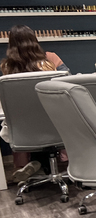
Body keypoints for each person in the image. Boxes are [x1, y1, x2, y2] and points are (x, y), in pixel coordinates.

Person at [0, 24, 69, 183]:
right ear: (35, 40)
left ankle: (36, 164)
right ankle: (52, 165)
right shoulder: (51, 59)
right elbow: (67, 83)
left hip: (25, 128)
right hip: (54, 121)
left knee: (32, 128)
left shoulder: (8, 66)